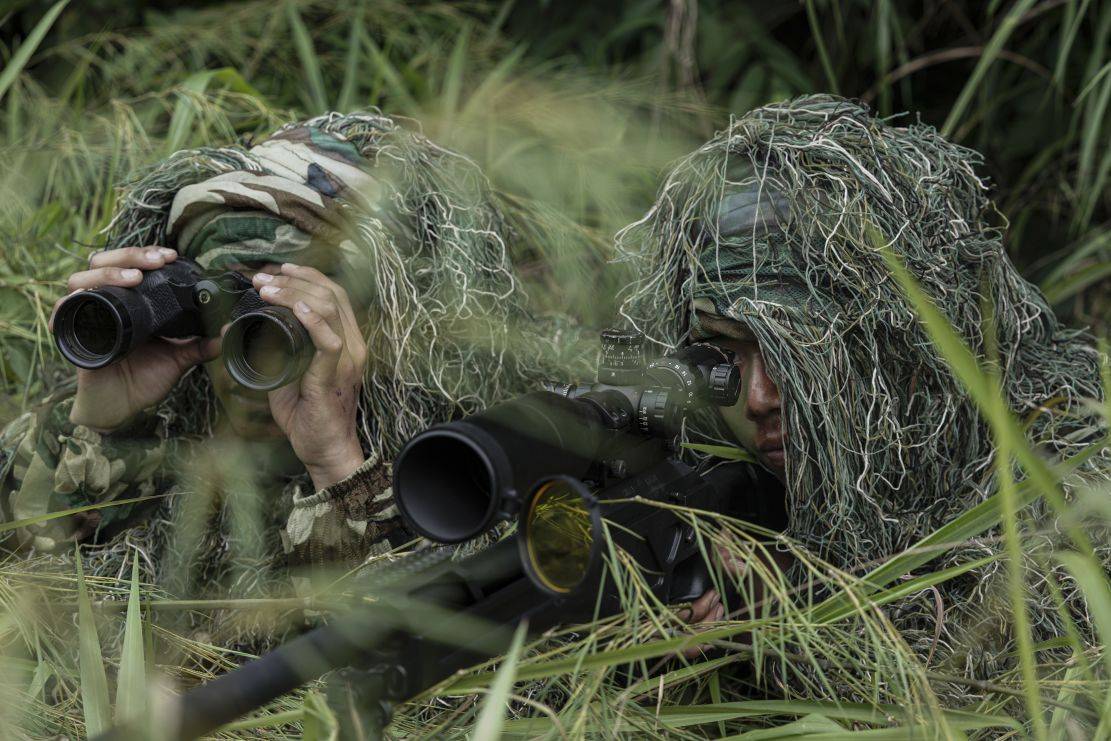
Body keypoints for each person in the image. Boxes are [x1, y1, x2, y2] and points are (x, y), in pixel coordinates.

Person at [0, 112, 581, 632]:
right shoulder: (176, 435)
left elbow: (429, 660)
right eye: (219, 308)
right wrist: (95, 424)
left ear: (389, 324)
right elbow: (22, 563)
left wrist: (338, 466)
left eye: (274, 328)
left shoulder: (485, 453)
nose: (240, 361)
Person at [616, 96, 1108, 691]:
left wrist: (781, 633)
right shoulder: (696, 468)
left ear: (908, 352)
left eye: (808, 352)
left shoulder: (1077, 476)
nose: (759, 398)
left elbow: (997, 693)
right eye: (725, 352)